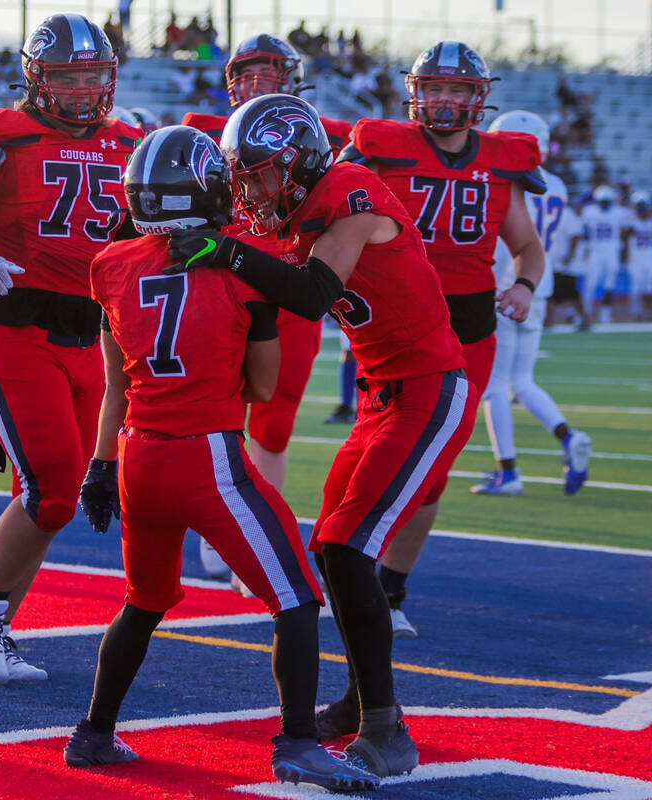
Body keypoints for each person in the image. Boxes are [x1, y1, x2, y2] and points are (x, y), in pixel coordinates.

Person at [163, 94, 477, 778]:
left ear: (300, 161)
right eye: (243, 179)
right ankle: (362, 698)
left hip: (429, 386)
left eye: (262, 175)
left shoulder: (352, 190)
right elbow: (257, 268)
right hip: (380, 396)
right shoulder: (297, 214)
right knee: (332, 550)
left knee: (345, 545)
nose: (252, 191)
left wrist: (223, 252)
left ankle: (387, 729)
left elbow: (308, 292)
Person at [63, 126, 377, 794]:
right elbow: (262, 387)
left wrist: (98, 468)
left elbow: (116, 383)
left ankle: (94, 731)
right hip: (208, 456)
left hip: (135, 455)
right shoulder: (239, 260)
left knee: (143, 602)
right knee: (295, 599)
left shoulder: (110, 266)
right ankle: (297, 745)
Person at [0, 13, 140, 686]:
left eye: (93, 75)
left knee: (58, 495)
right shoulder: (0, 137)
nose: (81, 90)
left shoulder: (129, 141)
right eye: (67, 77)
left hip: (95, 336)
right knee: (48, 493)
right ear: (37, 79)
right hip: (15, 325)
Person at [337, 41, 545, 639]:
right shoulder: (380, 149)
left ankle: (391, 591)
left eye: (458, 90)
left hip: (470, 327)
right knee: (373, 446)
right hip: (393, 321)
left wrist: (526, 285)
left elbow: (526, 245)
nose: (446, 100)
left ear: (479, 99)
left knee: (433, 466)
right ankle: (348, 564)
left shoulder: (502, 161)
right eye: (435, 88)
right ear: (415, 93)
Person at [181, 33, 353, 581]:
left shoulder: (330, 137)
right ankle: (217, 525)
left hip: (289, 282)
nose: (255, 81)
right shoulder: (200, 132)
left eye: (268, 71)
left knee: (274, 424)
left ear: (293, 77)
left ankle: (257, 538)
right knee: (214, 411)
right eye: (246, 71)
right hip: (224, 285)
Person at [472, 111, 593, 497]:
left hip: (506, 288)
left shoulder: (505, 179)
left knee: (494, 387)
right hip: (537, 289)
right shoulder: (556, 184)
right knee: (521, 381)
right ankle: (568, 435)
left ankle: (508, 472)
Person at [580, 185, 629, 325]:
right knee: (590, 284)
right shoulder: (589, 212)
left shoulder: (619, 213)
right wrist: (585, 248)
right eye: (602, 201)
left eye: (607, 201)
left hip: (611, 251)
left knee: (609, 284)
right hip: (595, 251)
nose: (604, 204)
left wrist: (623, 250)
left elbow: (626, 232)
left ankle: (605, 314)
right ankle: (585, 313)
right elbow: (585, 231)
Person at [622, 192, 652, 321]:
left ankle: (649, 312)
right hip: (636, 257)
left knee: (649, 287)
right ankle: (636, 313)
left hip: (650, 257)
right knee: (635, 287)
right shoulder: (631, 223)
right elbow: (623, 238)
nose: (642, 209)